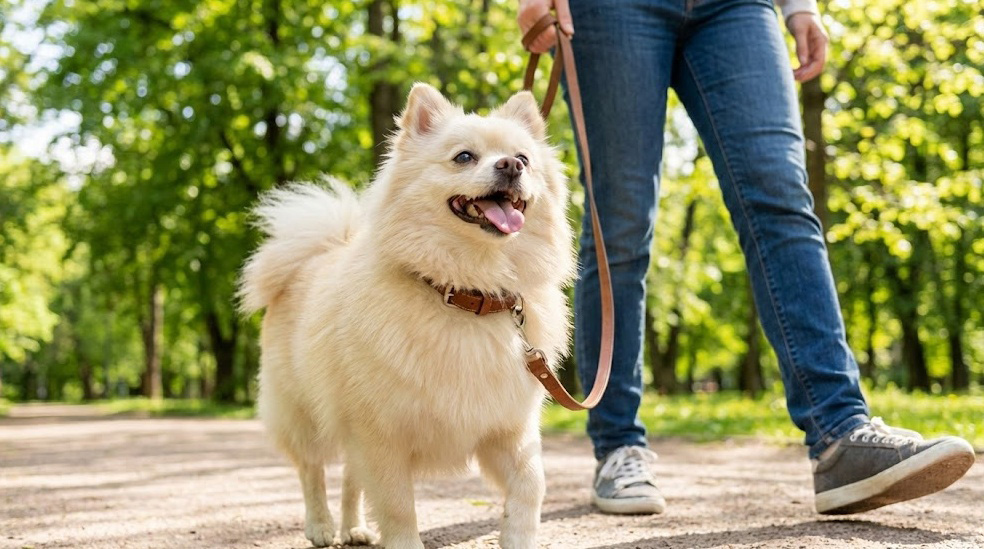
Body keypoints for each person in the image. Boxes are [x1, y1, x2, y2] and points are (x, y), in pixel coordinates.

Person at [517, 0, 975, 515]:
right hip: (612, 11)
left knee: (781, 199)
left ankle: (840, 434)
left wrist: (801, 7)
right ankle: (619, 444)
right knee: (620, 223)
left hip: (737, 8)